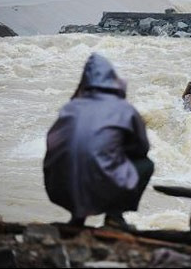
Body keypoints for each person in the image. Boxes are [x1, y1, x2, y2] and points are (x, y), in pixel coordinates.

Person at [43, 52, 153, 230]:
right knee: (145, 165)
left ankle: (77, 218)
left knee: (76, 160)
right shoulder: (124, 109)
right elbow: (142, 148)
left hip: (58, 187)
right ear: (112, 79)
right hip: (102, 184)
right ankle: (114, 216)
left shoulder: (70, 107)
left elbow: (53, 144)